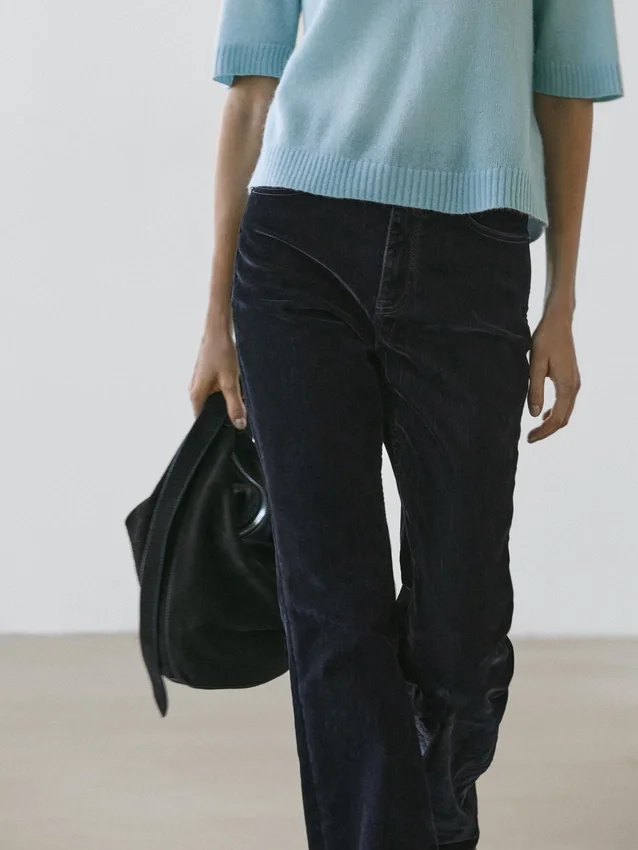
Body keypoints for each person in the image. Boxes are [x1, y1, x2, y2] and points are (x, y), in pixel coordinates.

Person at [189, 2, 624, 847]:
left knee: (463, 621)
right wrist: (215, 317)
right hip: (297, 251)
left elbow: (565, 91)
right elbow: (252, 94)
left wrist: (561, 300)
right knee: (332, 606)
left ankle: (428, 823)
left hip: (475, 255)